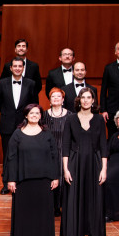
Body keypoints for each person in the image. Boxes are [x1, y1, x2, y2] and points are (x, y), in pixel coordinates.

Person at [6, 104, 59, 236]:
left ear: (41, 116)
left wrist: (55, 177)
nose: (34, 115)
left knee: (42, 211)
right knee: (25, 212)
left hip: (43, 180)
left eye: (37, 113)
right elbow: (11, 157)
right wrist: (11, 179)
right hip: (23, 180)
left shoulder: (47, 133)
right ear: (26, 115)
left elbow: (55, 156)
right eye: (31, 113)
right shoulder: (17, 134)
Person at [61, 88, 108, 236]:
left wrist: (104, 169)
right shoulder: (71, 119)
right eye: (83, 97)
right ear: (79, 100)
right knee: (76, 199)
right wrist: (66, 169)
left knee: (93, 199)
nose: (86, 100)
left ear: (93, 100)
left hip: (94, 164)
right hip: (75, 163)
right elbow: (65, 145)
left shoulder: (99, 120)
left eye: (89, 97)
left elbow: (103, 146)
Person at [0, 57, 38, 195]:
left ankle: (22, 182)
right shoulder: (2, 83)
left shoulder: (30, 83)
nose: (18, 68)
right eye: (15, 66)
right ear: (11, 68)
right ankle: (6, 184)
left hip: (25, 125)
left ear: (23, 68)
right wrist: (9, 114)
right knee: (8, 155)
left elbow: (34, 105)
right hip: (7, 124)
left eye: (20, 66)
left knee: (24, 154)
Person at [41, 87, 70, 216]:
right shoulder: (44, 115)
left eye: (59, 96)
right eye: (53, 96)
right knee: (50, 177)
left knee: (64, 177)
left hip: (65, 151)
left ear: (63, 100)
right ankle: (52, 206)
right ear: (50, 100)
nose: (56, 98)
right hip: (49, 152)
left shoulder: (70, 116)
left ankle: (64, 205)